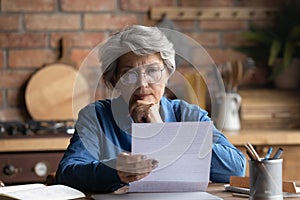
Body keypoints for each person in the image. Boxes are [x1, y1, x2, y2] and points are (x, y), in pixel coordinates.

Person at [56, 25, 246, 193]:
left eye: (153, 71)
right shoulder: (96, 116)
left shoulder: (188, 114)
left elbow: (235, 168)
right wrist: (115, 171)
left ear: (168, 74)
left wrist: (166, 132)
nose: (143, 84)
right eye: (129, 74)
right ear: (114, 81)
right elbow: (67, 172)